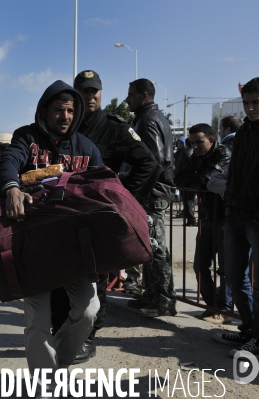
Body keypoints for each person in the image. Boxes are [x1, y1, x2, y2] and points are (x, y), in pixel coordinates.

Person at [0, 79, 101, 388]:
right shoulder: (26, 137)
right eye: (58, 110)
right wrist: (12, 187)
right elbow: (8, 162)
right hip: (34, 247)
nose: (65, 116)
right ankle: (45, 385)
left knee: (88, 310)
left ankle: (59, 365)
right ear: (45, 110)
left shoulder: (87, 148)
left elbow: (103, 188)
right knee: (38, 322)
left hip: (74, 248)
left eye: (70, 110)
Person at [49, 70, 157, 363]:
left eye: (95, 90)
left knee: (96, 277)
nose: (91, 95)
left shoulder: (114, 127)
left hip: (98, 216)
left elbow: (148, 162)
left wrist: (123, 198)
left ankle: (89, 336)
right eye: (84, 90)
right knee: (63, 276)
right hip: (66, 215)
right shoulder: (64, 125)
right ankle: (61, 330)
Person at [213, 77, 259, 357]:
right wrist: (230, 203)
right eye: (247, 103)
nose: (251, 108)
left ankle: (258, 337)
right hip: (235, 215)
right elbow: (235, 173)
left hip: (256, 219)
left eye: (256, 103)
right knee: (233, 275)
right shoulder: (242, 133)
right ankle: (250, 329)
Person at [124, 78, 177, 317]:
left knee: (156, 248)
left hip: (152, 193)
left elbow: (153, 161)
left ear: (144, 96)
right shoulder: (152, 118)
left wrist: (139, 190)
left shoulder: (148, 120)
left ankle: (164, 301)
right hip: (153, 191)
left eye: (131, 95)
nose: (127, 99)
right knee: (149, 246)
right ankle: (152, 295)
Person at [174, 123, 232, 324]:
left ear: (211, 140)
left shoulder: (223, 154)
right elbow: (179, 178)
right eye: (192, 143)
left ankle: (224, 309)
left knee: (226, 270)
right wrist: (201, 180)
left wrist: (199, 180)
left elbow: (208, 180)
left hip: (226, 219)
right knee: (200, 265)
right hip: (207, 218)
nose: (196, 146)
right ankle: (213, 304)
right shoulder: (195, 157)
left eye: (199, 142)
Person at [174, 137, 197, 226]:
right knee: (190, 200)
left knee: (186, 200)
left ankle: (191, 220)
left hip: (185, 180)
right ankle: (192, 219)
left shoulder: (185, 153)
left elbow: (179, 167)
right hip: (195, 180)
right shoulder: (196, 152)